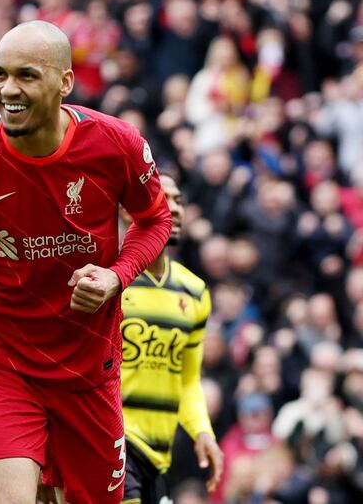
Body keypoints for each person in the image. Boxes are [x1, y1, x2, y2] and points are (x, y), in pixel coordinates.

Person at [0, 21, 172, 504]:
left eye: (27, 76)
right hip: (0, 357)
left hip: (86, 367)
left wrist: (117, 276)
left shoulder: (115, 144)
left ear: (65, 83)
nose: (8, 90)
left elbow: (154, 219)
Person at [119, 173, 224, 504]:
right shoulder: (108, 278)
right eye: (165, 199)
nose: (176, 209)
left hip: (158, 456)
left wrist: (202, 430)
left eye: (179, 200)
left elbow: (188, 378)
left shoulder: (194, 292)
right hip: (113, 443)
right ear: (127, 210)